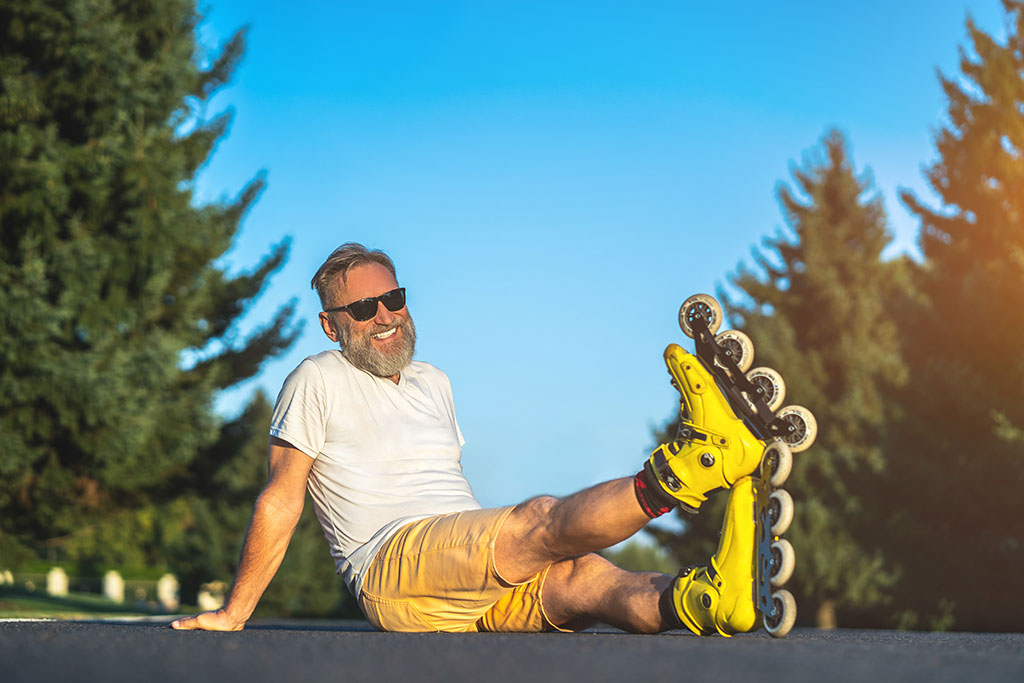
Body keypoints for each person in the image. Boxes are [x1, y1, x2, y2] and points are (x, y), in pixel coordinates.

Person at [170, 243, 774, 635]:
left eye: (394, 298)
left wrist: (501, 552)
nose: (386, 315)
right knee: (540, 518)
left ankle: (706, 600)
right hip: (392, 567)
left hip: (464, 571)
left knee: (588, 579)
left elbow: (445, 491)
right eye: (364, 309)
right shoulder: (317, 377)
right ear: (332, 325)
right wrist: (235, 610)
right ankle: (694, 464)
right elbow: (282, 495)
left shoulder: (435, 382)